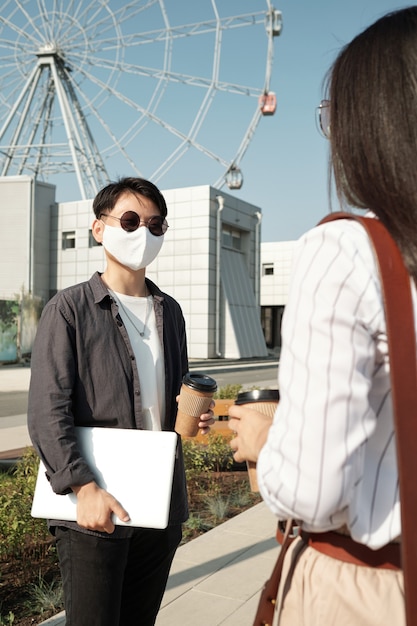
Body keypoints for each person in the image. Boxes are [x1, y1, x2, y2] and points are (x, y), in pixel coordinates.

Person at [228, 7, 417, 625]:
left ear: (375, 125)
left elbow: (313, 490)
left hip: (368, 586)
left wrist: (265, 441)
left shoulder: (346, 251)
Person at [27, 177, 214, 626]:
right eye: (129, 221)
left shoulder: (171, 311)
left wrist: (193, 418)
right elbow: (47, 410)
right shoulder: (69, 309)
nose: (142, 234)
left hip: (159, 503)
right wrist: (82, 487)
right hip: (94, 502)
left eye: (155, 224)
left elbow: (169, 396)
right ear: (98, 229)